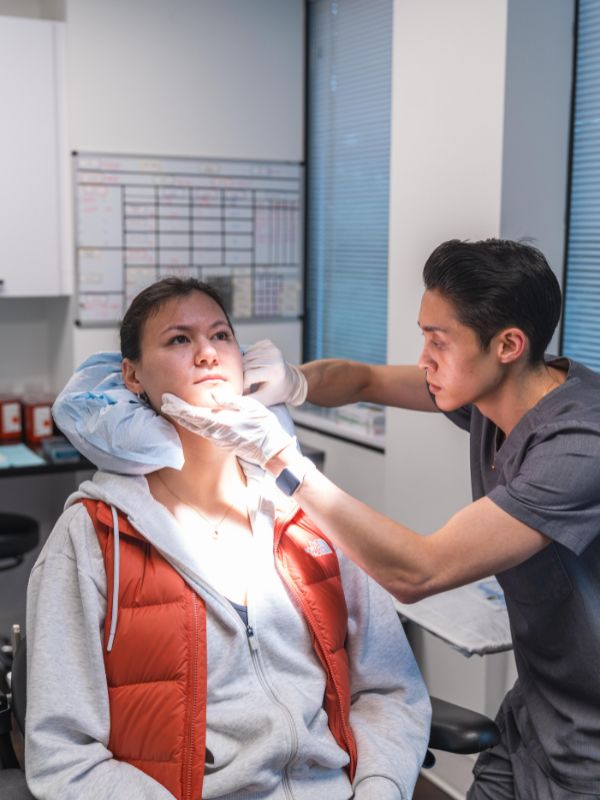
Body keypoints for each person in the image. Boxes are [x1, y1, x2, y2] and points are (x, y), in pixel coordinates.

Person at [162, 240, 600, 800]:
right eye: (424, 335)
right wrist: (295, 381)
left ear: (509, 345)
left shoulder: (578, 445)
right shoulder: (495, 390)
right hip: (537, 709)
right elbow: (365, 380)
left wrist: (282, 461)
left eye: (438, 342)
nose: (424, 359)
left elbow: (420, 572)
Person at [25, 277, 430, 800]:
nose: (207, 353)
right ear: (131, 376)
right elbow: (64, 755)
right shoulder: (94, 538)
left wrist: (378, 788)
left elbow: (391, 688)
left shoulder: (308, 514)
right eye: (178, 339)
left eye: (221, 335)